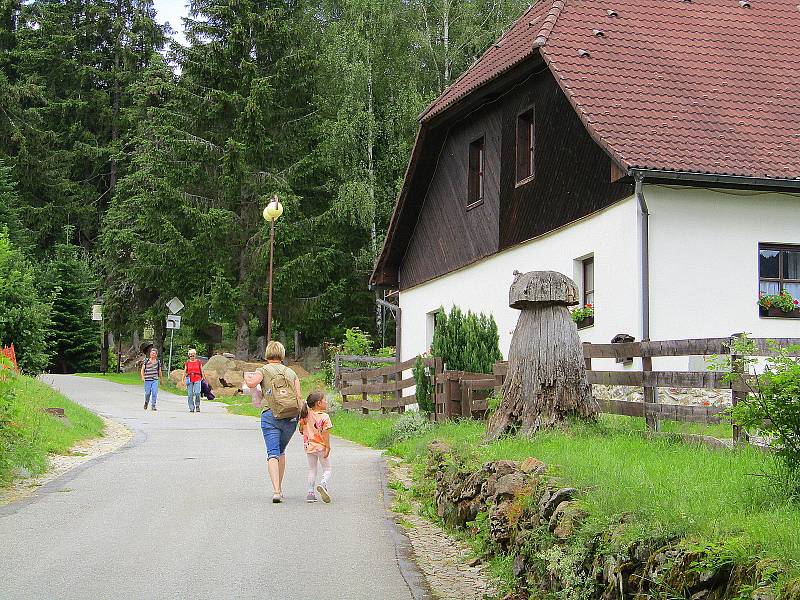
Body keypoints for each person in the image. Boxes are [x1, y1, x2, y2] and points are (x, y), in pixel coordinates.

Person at [248, 341, 302, 503]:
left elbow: (251, 384)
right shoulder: (291, 373)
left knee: (273, 452)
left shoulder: (263, 370)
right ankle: (280, 487)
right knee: (281, 450)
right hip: (291, 417)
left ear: (267, 354)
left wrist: (250, 379)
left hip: (270, 415)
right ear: (282, 354)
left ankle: (276, 490)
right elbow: (298, 397)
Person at [299, 391, 332, 503]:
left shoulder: (306, 415)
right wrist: (328, 447)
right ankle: (323, 483)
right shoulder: (325, 417)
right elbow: (325, 433)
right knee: (327, 469)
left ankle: (310, 493)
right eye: (325, 400)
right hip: (321, 447)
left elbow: (301, 429)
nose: (326, 402)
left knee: (312, 469)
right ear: (319, 403)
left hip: (309, 447)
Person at [184, 349, 204, 413]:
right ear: (189, 356)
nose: (192, 356)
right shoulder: (187, 362)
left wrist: (203, 377)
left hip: (197, 377)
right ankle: (191, 407)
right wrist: (183, 379)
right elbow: (185, 371)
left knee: (197, 392)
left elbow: (201, 370)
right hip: (189, 378)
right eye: (190, 355)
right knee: (190, 394)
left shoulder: (199, 362)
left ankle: (197, 405)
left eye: (193, 355)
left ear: (195, 355)